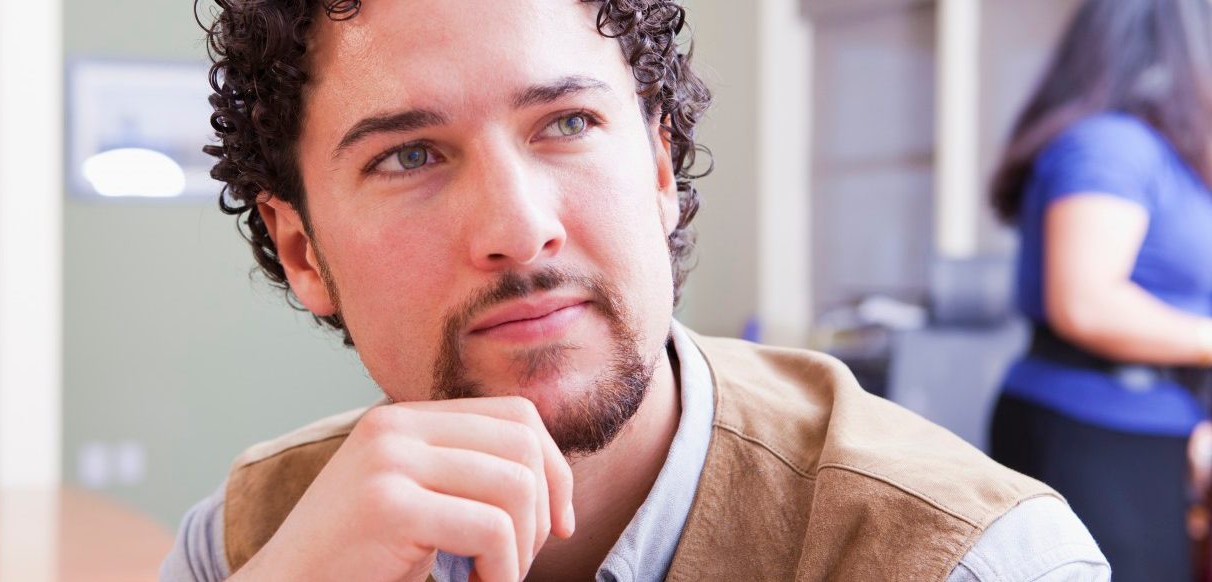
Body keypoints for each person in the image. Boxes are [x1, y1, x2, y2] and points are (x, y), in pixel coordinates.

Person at [162, 0, 1108, 580]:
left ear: (661, 169)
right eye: (410, 155)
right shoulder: (255, 543)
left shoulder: (968, 560)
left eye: (566, 122)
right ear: (301, 252)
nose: (516, 227)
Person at [986, 0, 1212, 580]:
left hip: (1158, 425)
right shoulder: (1110, 144)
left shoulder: (1168, 155)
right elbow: (1086, 301)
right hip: (1089, 429)